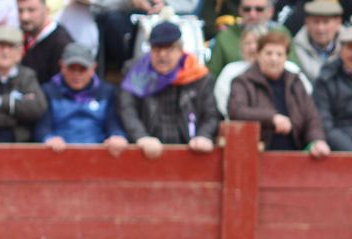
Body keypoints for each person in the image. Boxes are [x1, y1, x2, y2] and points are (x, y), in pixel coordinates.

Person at [118, 21, 219, 155]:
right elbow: (127, 109)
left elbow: (211, 114)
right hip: (146, 151)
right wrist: (141, 137)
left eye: (169, 48)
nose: (162, 55)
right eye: (157, 49)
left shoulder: (199, 76)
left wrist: (204, 135)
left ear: (181, 50)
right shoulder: (136, 74)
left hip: (190, 150)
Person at [228, 28, 330, 153]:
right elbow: (237, 111)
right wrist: (271, 118)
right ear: (258, 55)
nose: (274, 59)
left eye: (279, 54)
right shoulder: (243, 82)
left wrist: (317, 140)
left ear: (286, 57)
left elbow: (311, 117)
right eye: (269, 53)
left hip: (295, 153)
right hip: (257, 153)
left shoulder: (295, 82)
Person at [33, 38, 128, 146]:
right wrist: (48, 139)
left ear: (93, 68)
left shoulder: (107, 92)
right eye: (71, 68)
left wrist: (117, 136)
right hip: (59, 153)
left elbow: (114, 124)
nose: (76, 74)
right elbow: (42, 128)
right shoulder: (48, 91)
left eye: (82, 69)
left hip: (98, 154)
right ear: (62, 66)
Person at [207, 0, 288, 81]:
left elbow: (293, 67)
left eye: (259, 9)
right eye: (247, 9)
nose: (252, 14)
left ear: (270, 12)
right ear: (240, 10)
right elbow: (211, 77)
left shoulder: (281, 34)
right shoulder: (225, 37)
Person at [17, 0, 72, 83]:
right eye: (20, 11)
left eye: (31, 10)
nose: (24, 17)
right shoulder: (21, 35)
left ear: (46, 10)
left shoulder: (61, 44)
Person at [290, 0, 342, 81]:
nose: (320, 28)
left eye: (326, 22)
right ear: (307, 22)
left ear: (338, 22)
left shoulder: (350, 48)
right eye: (316, 22)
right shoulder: (294, 49)